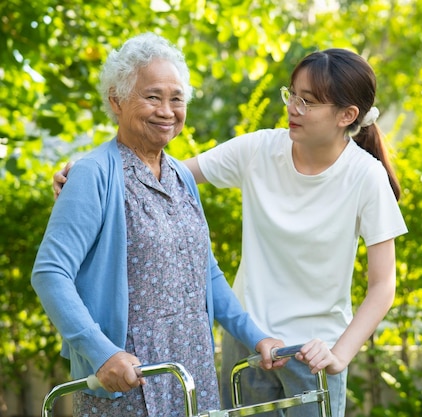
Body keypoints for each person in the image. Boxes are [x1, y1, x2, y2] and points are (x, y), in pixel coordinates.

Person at [54, 47, 408, 417]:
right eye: (292, 95)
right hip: (248, 346)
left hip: (314, 351)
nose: (293, 108)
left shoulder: (366, 177)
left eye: (309, 102)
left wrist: (339, 354)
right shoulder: (260, 148)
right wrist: (83, 176)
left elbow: (383, 286)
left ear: (346, 115)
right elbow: (157, 175)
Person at [33, 32, 285, 417]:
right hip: (129, 377)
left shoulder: (182, 176)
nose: (166, 110)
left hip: (191, 369)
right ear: (116, 101)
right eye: (152, 96)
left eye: (176, 98)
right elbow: (50, 273)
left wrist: (257, 337)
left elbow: (207, 273)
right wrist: (103, 354)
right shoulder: (93, 174)